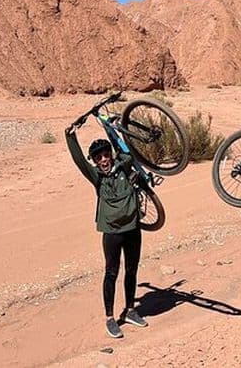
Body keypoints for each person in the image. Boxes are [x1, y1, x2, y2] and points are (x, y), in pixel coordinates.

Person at [65, 120, 148, 339]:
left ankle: (130, 310)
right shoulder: (97, 177)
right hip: (112, 232)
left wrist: (111, 128)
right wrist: (70, 137)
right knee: (111, 273)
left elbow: (125, 150)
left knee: (131, 270)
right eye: (98, 157)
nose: (103, 160)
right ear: (95, 161)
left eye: (105, 155)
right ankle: (110, 318)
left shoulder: (124, 166)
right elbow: (79, 160)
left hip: (133, 228)